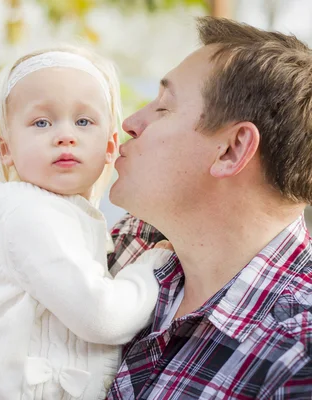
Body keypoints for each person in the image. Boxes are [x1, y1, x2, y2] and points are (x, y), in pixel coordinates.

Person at [0, 46, 172, 400]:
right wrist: (152, 266)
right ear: (6, 149)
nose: (65, 135)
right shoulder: (29, 217)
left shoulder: (67, 216)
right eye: (41, 122)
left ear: (109, 146)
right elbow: (101, 315)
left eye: (83, 121)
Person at [104, 16, 312, 399]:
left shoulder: (298, 360)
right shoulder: (129, 244)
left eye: (163, 108)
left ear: (232, 150)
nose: (131, 123)